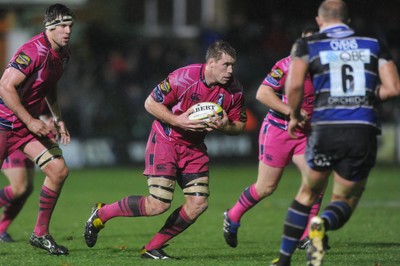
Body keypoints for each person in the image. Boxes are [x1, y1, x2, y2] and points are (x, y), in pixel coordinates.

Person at [84, 40, 247, 259]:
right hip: (165, 140)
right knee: (157, 204)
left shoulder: (234, 90)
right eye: (226, 65)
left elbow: (240, 126)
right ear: (210, 63)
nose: (230, 71)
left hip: (194, 148)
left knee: (198, 204)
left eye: (232, 65)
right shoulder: (183, 77)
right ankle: (101, 214)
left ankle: (152, 248)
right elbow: (150, 103)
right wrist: (178, 121)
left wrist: (227, 126)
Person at [271, 1, 400, 265]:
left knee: (307, 192)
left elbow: (294, 85)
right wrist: (368, 94)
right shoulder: (373, 43)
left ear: (319, 21)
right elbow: (393, 88)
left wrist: (294, 115)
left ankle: (283, 260)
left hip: (324, 128)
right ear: (348, 20)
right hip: (361, 128)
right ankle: (322, 223)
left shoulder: (308, 45)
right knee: (347, 197)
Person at [223, 27, 322, 250]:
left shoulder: (328, 68)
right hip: (279, 130)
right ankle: (233, 215)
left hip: (306, 133)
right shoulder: (286, 65)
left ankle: (307, 236)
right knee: (266, 187)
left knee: (316, 180)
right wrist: (291, 111)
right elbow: (262, 93)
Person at [0, 4, 74, 255]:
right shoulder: (33, 51)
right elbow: (5, 87)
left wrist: (57, 117)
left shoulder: (62, 52)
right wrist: (30, 120)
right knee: (21, 186)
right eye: (62, 26)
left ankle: (40, 234)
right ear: (49, 27)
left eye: (70, 26)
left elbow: (49, 85)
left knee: (58, 170)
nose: (68, 31)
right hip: (3, 123)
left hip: (24, 125)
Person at [0, 115, 56, 243]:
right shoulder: (11, 94)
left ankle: (1, 229)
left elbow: (38, 107)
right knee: (19, 188)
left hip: (30, 136)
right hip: (11, 131)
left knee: (26, 189)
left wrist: (49, 121)